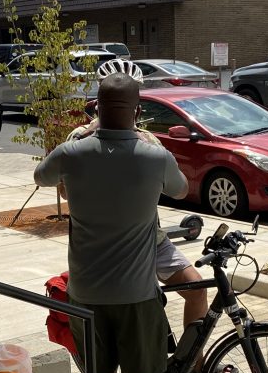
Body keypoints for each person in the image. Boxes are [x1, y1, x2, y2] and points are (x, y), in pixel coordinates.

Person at [34, 73, 187, 373]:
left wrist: (78, 140)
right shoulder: (155, 156)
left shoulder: (72, 152)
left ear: (96, 109)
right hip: (137, 295)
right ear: (138, 111)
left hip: (85, 294)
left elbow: (41, 177)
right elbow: (182, 189)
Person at [72, 58, 210, 332]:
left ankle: (195, 366)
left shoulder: (149, 141)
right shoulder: (79, 139)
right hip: (103, 247)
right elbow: (65, 191)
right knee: (129, 315)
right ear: (99, 102)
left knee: (197, 289)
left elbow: (172, 187)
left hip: (151, 241)